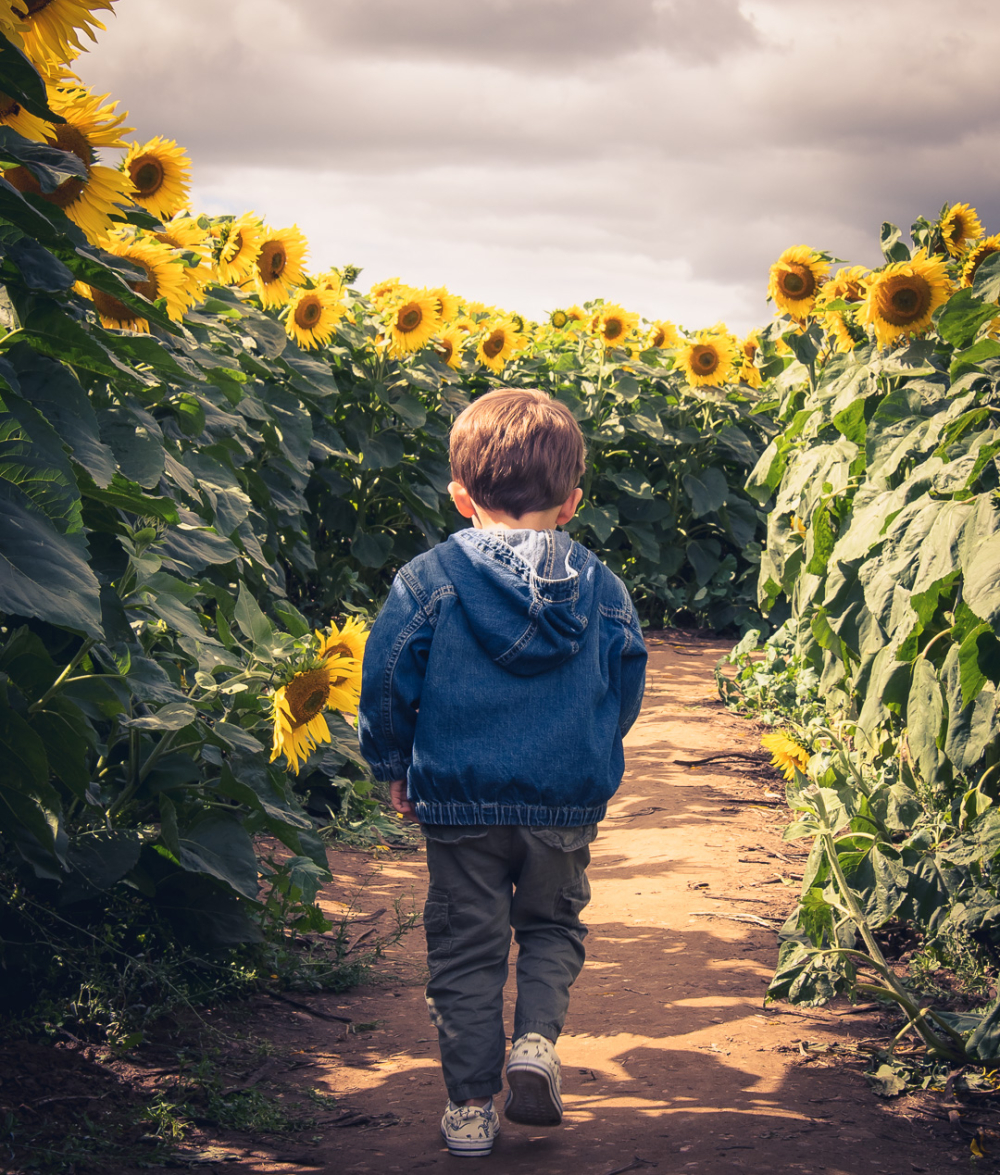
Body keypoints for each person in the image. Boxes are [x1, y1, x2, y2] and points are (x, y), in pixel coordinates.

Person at [358, 387, 647, 1157]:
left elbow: (388, 671)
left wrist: (393, 760)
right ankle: (536, 1045)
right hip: (563, 801)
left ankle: (470, 1108)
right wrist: (590, 751)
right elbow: (625, 683)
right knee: (553, 925)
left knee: (465, 948)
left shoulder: (430, 578)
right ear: (572, 502)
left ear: (460, 496)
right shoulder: (604, 588)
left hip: (460, 800)